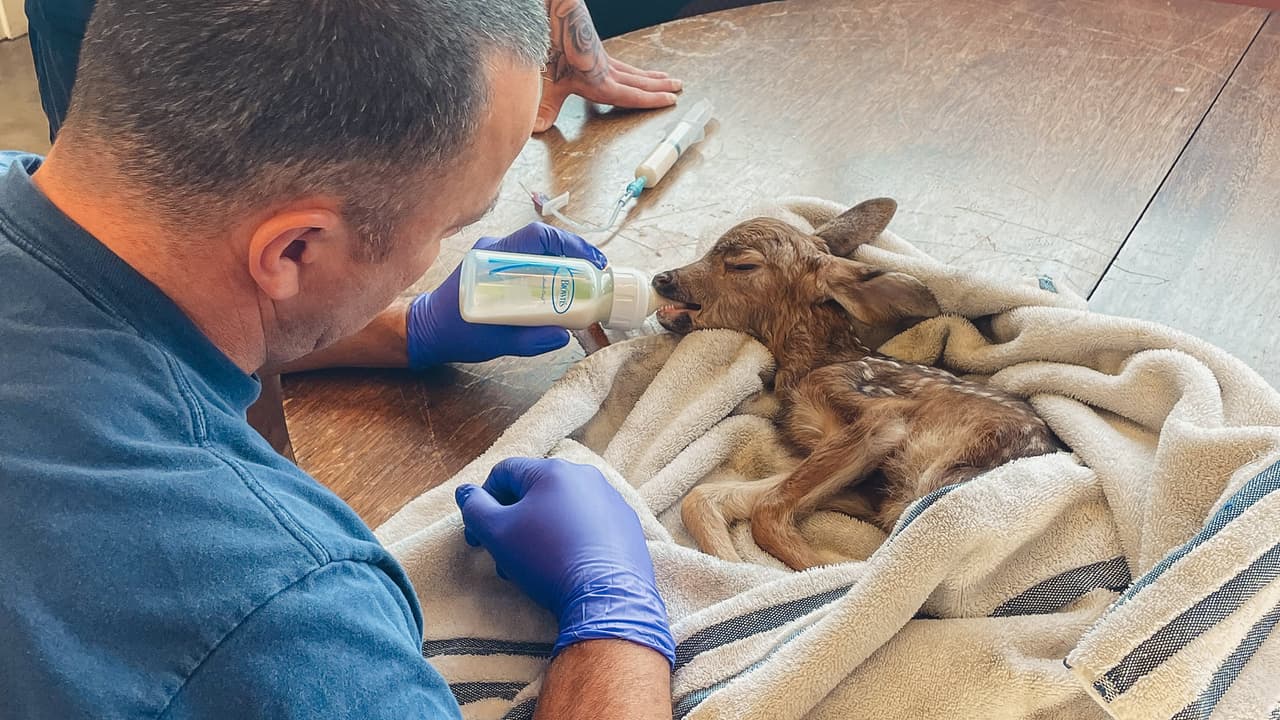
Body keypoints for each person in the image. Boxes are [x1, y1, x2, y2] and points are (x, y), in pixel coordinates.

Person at [0, 0, 683, 717]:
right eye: (451, 225)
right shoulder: (281, 618)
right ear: (294, 250)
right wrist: (616, 611)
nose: (440, 256)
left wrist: (407, 329)